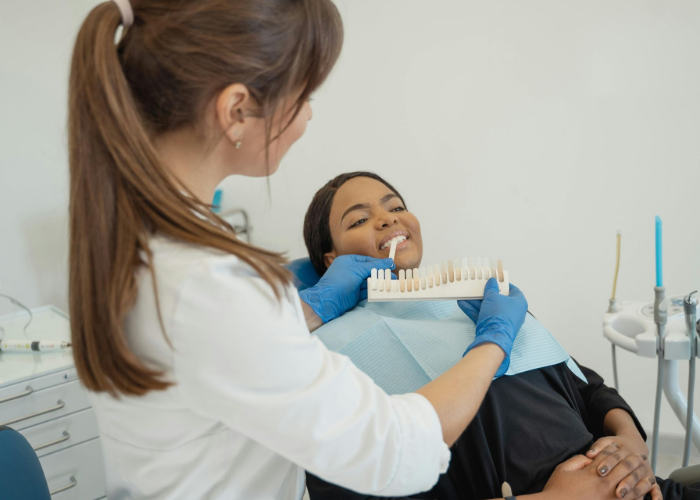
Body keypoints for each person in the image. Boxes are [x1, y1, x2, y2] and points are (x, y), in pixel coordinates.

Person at [63, 1, 595, 499]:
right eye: (303, 94)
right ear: (236, 110)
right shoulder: (209, 287)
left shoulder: (149, 251)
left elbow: (230, 360)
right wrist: (494, 343)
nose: (309, 117)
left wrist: (303, 312)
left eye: (393, 204)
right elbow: (395, 451)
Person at [301, 171, 698, 500]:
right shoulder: (326, 357)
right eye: (358, 220)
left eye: (396, 206)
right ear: (332, 259)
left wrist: (628, 439)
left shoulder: (483, 300)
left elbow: (584, 384)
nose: (388, 219)